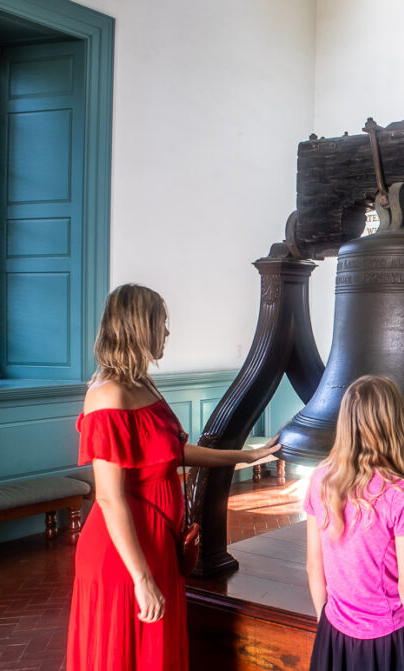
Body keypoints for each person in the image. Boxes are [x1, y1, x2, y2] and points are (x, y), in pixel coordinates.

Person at [67, 284, 280, 671]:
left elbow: (172, 452)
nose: (166, 332)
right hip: (124, 551)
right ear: (139, 327)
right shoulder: (107, 396)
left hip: (158, 541)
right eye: (161, 324)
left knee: (156, 654)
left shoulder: (142, 383)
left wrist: (246, 455)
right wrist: (142, 577)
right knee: (125, 654)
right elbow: (109, 497)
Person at [303, 375, 404, 671]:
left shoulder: (320, 480)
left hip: (334, 632)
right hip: (387, 641)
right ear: (393, 426)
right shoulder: (400, 495)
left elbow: (314, 566)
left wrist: (326, 624)